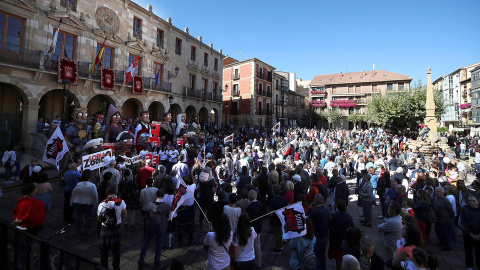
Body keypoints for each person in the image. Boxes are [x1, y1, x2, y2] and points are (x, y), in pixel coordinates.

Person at [137, 189, 170, 270]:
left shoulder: (149, 204)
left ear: (156, 196)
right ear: (163, 196)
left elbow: (146, 215)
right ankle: (156, 261)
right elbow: (167, 215)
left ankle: (140, 260)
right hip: (161, 227)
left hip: (151, 226)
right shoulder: (166, 205)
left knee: (146, 244)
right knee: (159, 245)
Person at [97, 184, 127, 270]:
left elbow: (98, 218)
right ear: (115, 192)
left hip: (105, 228)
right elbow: (125, 215)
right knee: (116, 251)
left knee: (104, 251)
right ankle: (116, 267)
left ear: (107, 193)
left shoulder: (102, 204)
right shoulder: (121, 202)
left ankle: (104, 267)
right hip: (116, 228)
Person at [328, 199, 354, 270]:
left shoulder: (336, 218)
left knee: (339, 261)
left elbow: (332, 231)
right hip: (346, 242)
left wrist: (331, 242)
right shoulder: (348, 216)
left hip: (338, 243)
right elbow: (352, 227)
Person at [70, 169, 98, 234]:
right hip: (89, 203)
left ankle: (78, 230)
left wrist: (71, 202)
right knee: (88, 217)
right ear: (90, 177)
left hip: (79, 202)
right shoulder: (92, 185)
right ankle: (88, 229)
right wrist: (96, 204)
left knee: (79, 216)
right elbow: (95, 195)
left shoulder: (79, 184)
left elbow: (73, 193)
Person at [309, 194, 330, 270]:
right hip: (325, 235)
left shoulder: (315, 212)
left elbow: (308, 219)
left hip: (318, 237)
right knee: (322, 255)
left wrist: (309, 209)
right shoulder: (327, 209)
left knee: (316, 256)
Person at [460, 193, 480, 270]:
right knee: (468, 250)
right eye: (470, 201)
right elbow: (463, 222)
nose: (471, 202)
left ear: (477, 201)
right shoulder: (464, 209)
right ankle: (469, 266)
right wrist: (471, 233)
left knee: (478, 252)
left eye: (473, 201)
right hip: (468, 233)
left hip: (478, 233)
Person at [432, 187, 455, 251]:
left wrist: (449, 217)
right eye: (437, 191)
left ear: (443, 192)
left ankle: (447, 247)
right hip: (437, 218)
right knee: (439, 232)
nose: (438, 193)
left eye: (440, 192)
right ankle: (441, 243)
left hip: (445, 219)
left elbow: (451, 211)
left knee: (445, 234)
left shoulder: (445, 200)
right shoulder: (435, 198)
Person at [245, 190, 263, 268]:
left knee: (249, 246)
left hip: (251, 230)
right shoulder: (259, 203)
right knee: (257, 246)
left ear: (250, 197)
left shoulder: (249, 207)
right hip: (258, 228)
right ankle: (258, 263)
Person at [269, 185, 288, 254]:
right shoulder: (283, 199)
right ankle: (281, 245)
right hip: (282, 218)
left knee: (276, 234)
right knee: (280, 232)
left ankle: (278, 248)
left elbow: (271, 213)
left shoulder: (273, 201)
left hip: (275, 220)